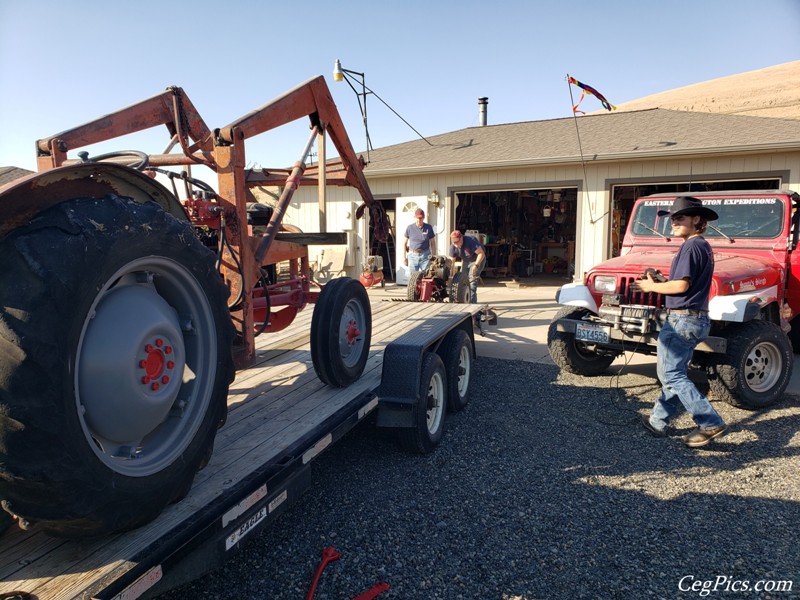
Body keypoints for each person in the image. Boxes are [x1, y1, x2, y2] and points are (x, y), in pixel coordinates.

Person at [632, 196, 727, 448]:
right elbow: (687, 286)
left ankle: (710, 422)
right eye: (672, 218)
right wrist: (662, 280)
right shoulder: (702, 246)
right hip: (695, 318)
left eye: (680, 217)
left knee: (672, 375)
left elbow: (682, 286)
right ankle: (657, 421)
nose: (674, 222)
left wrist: (651, 286)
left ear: (697, 220)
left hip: (682, 320)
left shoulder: (691, 247)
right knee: (674, 373)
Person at [448, 230, 486, 304]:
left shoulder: (470, 241)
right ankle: (463, 302)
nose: (456, 244)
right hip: (466, 260)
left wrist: (476, 265)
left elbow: (481, 253)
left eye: (457, 242)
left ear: (461, 238)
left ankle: (473, 304)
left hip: (477, 259)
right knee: (462, 280)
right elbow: (451, 262)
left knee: (472, 282)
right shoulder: (453, 246)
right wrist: (450, 275)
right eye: (453, 242)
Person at [403, 208, 436, 272]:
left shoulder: (428, 227)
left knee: (426, 276)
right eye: (417, 218)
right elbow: (404, 243)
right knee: (413, 278)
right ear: (414, 217)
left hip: (425, 255)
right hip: (412, 255)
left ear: (423, 218)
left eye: (421, 218)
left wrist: (433, 256)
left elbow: (433, 242)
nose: (419, 220)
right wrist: (404, 257)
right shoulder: (409, 228)